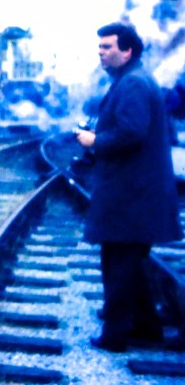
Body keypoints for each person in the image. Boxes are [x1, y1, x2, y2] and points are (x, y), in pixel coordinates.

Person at [75, 22, 182, 353]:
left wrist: (94, 141)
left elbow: (132, 132)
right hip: (135, 192)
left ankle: (116, 335)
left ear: (127, 51)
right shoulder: (132, 79)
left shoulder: (133, 83)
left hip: (133, 194)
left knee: (119, 264)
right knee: (127, 262)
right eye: (100, 47)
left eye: (107, 47)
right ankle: (145, 328)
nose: (101, 52)